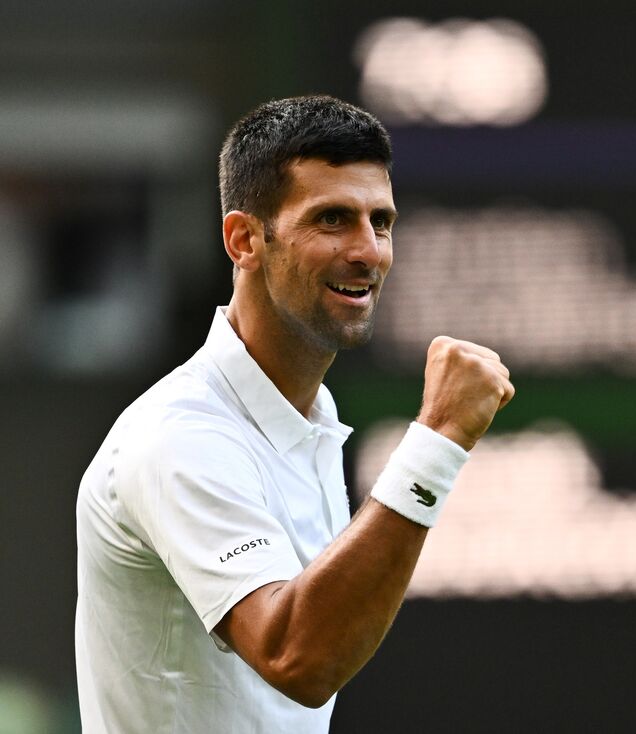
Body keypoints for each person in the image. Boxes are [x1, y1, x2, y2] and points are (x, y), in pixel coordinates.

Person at [74, 95, 514, 733]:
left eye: (381, 222)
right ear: (244, 240)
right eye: (332, 220)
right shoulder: (179, 437)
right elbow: (296, 656)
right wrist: (438, 440)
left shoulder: (306, 416)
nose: (369, 252)